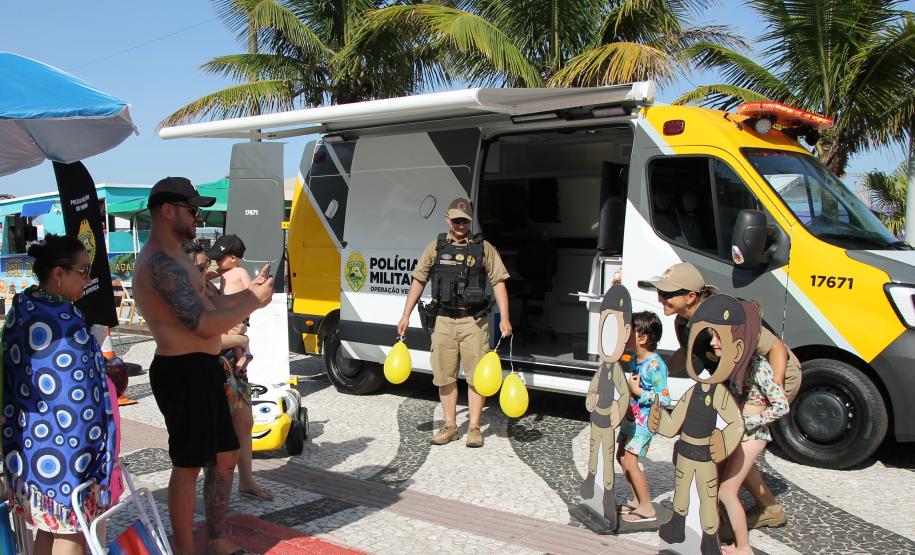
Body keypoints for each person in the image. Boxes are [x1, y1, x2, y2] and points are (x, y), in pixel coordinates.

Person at [133, 177, 273, 555]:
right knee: (189, 464)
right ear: (167, 211)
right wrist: (254, 302)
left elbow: (216, 307)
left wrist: (251, 294)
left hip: (205, 367)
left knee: (225, 455)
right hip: (181, 371)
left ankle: (217, 540)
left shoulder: (181, 258)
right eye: (192, 210)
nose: (199, 216)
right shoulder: (160, 263)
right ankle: (186, 550)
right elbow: (202, 325)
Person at [638, 262, 800, 530]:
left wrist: (776, 384)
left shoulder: (726, 315)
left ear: (691, 297)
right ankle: (751, 508)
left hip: (767, 379)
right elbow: (688, 354)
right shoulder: (684, 321)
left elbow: (776, 349)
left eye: (667, 294)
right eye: (659, 292)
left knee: (733, 443)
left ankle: (755, 509)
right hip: (738, 383)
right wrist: (657, 371)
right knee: (731, 446)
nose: (660, 298)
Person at [1, 235, 116, 555]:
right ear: (59, 274)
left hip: (32, 449)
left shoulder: (23, 308)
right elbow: (79, 398)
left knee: (49, 529)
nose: (89, 278)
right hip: (68, 452)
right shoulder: (63, 320)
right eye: (84, 270)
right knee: (72, 531)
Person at [397, 198, 512, 448]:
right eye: (456, 220)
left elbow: (499, 281)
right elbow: (418, 280)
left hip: (474, 322)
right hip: (444, 321)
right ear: (447, 219)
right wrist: (405, 314)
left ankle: (473, 427)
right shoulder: (435, 247)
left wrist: (505, 317)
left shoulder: (484, 248)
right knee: (444, 376)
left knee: (476, 378)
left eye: (465, 220)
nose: (460, 224)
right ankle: (450, 426)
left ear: (470, 221)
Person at [717, 301, 790, 555]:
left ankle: (743, 548)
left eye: (720, 337)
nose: (714, 343)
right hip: (740, 432)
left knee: (727, 491)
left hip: (752, 434)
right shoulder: (737, 364)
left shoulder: (759, 367)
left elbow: (781, 406)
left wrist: (749, 422)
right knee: (719, 487)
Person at [204, 235, 274, 501]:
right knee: (215, 429)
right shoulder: (204, 282)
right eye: (203, 265)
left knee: (244, 421)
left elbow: (254, 300)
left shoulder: (234, 274)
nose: (210, 267)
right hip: (213, 357)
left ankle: (246, 480)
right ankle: (218, 489)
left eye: (212, 261)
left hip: (230, 356)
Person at [616, 311, 670, 524]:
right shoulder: (636, 361)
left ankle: (647, 508)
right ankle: (639, 500)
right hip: (631, 418)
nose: (625, 334)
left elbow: (665, 398)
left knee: (630, 460)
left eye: (630, 331)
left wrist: (639, 393)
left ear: (643, 337)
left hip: (644, 422)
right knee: (621, 456)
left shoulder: (655, 365)